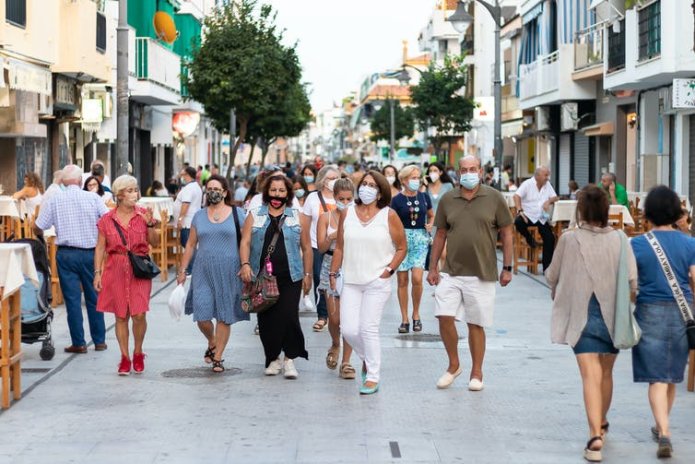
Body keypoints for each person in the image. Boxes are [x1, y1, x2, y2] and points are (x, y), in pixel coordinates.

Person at [545, 185, 637, 462]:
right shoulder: (621, 239)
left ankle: (595, 434)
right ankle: (602, 423)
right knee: (605, 375)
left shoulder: (568, 239)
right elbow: (633, 281)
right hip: (613, 317)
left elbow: (551, 275)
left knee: (590, 376)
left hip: (580, 317)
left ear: (581, 209)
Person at [427, 156, 514, 392]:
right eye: (463, 169)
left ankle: (477, 372)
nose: (468, 173)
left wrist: (507, 267)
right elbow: (440, 235)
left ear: (480, 171)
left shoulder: (494, 198)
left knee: (476, 324)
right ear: (457, 173)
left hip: (482, 272)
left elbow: (507, 234)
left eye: (472, 169)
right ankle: (454, 365)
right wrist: (433, 267)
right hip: (451, 271)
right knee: (443, 316)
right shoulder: (448, 199)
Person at [629, 185, 695, 459]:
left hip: (650, 310)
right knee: (670, 377)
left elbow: (631, 284)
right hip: (683, 312)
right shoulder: (690, 243)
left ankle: (664, 431)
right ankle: (662, 425)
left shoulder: (637, 244)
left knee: (656, 377)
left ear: (648, 214)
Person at [329, 171, 406, 394]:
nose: (367, 188)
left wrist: (389, 270)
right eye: (364, 184)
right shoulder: (348, 213)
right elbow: (340, 247)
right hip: (351, 280)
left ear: (380, 191)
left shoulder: (388, 215)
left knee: (368, 328)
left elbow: (402, 247)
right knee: (350, 329)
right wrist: (333, 273)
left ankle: (372, 376)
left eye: (372, 185)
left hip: (377, 281)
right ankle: (368, 359)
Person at [239, 175, 312, 379]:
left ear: (288, 193)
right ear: (266, 192)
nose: (277, 195)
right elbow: (245, 242)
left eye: (281, 191)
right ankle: (272, 358)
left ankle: (290, 359)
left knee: (289, 316)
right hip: (262, 277)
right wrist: (245, 264)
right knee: (267, 319)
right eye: (273, 190)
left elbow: (306, 248)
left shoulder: (298, 216)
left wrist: (308, 275)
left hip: (291, 275)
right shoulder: (255, 215)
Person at [177, 175, 249, 373]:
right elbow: (191, 244)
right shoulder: (199, 216)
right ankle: (212, 341)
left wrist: (246, 265)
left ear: (225, 192)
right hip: (203, 270)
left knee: (225, 316)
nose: (213, 192)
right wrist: (183, 270)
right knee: (202, 314)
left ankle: (218, 356)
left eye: (217, 189)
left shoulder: (238, 214)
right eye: (209, 189)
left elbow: (246, 242)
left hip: (229, 270)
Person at [34, 165, 108, 353]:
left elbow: (39, 225)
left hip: (66, 254)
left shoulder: (55, 199)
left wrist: (39, 236)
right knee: (94, 297)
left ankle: (79, 343)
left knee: (73, 300)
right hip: (91, 253)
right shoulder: (93, 197)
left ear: (64, 181)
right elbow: (108, 221)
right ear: (80, 181)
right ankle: (99, 341)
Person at [94, 175, 160, 375]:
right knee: (121, 316)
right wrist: (97, 273)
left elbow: (155, 243)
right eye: (130, 190)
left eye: (136, 189)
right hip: (115, 268)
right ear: (119, 195)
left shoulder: (143, 215)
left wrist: (150, 225)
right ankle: (124, 357)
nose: (135, 194)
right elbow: (100, 248)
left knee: (139, 314)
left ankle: (138, 351)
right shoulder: (106, 220)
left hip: (139, 268)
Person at [317, 178, 355, 379]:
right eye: (342, 198)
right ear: (335, 197)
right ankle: (334, 342)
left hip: (352, 265)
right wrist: (333, 236)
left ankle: (347, 361)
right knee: (335, 317)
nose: (345, 202)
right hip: (329, 264)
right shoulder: (326, 217)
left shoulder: (358, 217)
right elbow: (321, 248)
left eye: (349, 199)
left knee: (348, 319)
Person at [391, 165, 433, 333]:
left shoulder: (424, 197)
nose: (416, 180)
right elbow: (390, 219)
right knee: (402, 280)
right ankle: (404, 319)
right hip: (402, 240)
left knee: (417, 278)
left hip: (420, 240)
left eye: (417, 177)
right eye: (412, 177)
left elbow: (431, 214)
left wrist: (430, 225)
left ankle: (416, 314)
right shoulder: (397, 200)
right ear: (403, 180)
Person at [301, 165, 340, 332]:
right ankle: (322, 316)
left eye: (336, 178)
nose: (334, 181)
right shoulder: (313, 198)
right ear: (323, 181)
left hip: (339, 248)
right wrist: (305, 247)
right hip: (318, 246)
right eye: (331, 178)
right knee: (320, 280)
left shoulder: (343, 198)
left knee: (338, 280)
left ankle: (337, 315)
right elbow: (305, 223)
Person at [513, 166, 559, 271]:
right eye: (545, 175)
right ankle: (529, 239)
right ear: (537, 175)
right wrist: (520, 211)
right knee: (518, 222)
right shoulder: (527, 184)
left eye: (548, 175)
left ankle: (546, 267)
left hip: (541, 217)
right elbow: (516, 196)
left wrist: (549, 201)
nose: (548, 177)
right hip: (528, 215)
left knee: (550, 238)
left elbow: (556, 197)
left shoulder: (547, 185)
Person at [174, 166, 203, 274]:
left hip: (188, 221)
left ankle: (190, 268)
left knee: (187, 244)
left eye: (183, 175)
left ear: (187, 175)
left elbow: (185, 204)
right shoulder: (195, 186)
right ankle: (192, 267)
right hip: (192, 220)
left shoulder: (189, 188)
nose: (182, 177)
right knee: (188, 243)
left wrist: (180, 219)